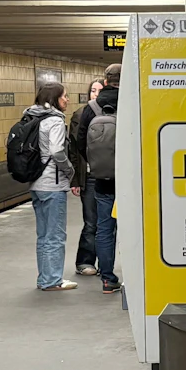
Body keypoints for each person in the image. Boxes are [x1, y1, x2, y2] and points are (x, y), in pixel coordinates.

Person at [24, 78, 76, 292]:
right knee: (55, 235)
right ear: (55, 99)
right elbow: (56, 151)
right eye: (64, 96)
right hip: (52, 185)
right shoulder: (54, 120)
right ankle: (52, 280)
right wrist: (70, 170)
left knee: (44, 235)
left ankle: (44, 278)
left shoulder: (31, 116)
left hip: (36, 183)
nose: (67, 100)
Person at [87, 63, 122, 293]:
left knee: (104, 229)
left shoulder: (91, 108)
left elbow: (82, 144)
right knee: (137, 229)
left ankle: (108, 279)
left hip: (102, 181)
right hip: (132, 182)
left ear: (105, 80)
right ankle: (139, 277)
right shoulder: (136, 100)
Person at [67, 78, 104, 276]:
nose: (95, 94)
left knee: (107, 223)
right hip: (89, 176)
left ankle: (105, 264)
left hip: (109, 175)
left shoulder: (114, 111)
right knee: (91, 222)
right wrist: (75, 180)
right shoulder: (80, 115)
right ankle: (85, 262)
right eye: (93, 90)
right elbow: (74, 149)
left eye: (99, 90)